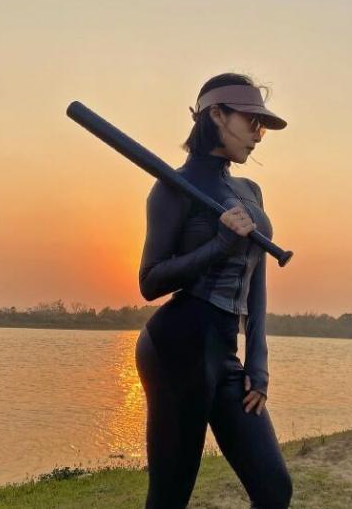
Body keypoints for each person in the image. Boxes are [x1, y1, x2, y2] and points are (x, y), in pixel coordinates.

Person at [135, 72, 293, 508]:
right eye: (251, 122)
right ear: (217, 115)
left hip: (225, 352)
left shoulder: (250, 190)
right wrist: (217, 245)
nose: (258, 136)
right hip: (175, 347)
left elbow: (256, 278)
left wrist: (257, 361)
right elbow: (150, 282)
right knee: (170, 495)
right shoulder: (172, 187)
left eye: (263, 126)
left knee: (274, 489)